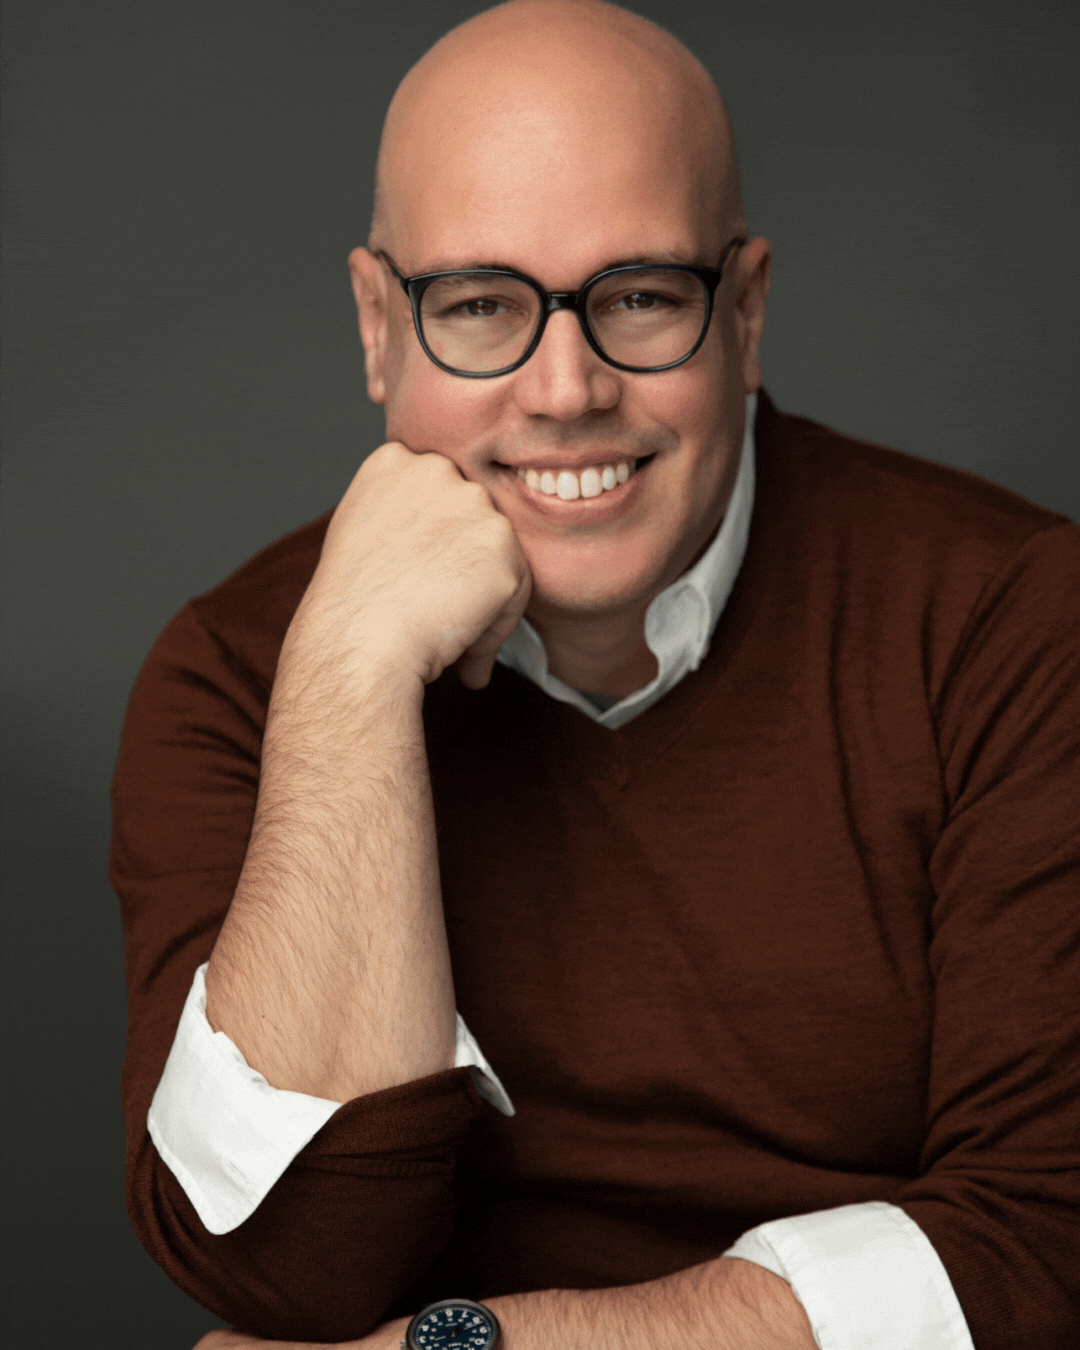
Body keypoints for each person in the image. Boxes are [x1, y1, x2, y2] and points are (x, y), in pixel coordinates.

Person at [109, 2, 1080, 1347]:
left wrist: (466, 1349)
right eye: (480, 305)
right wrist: (346, 685)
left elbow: (1045, 1237)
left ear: (745, 309)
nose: (564, 386)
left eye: (637, 296)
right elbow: (281, 1266)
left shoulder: (1014, 619)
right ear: (379, 325)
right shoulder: (234, 672)